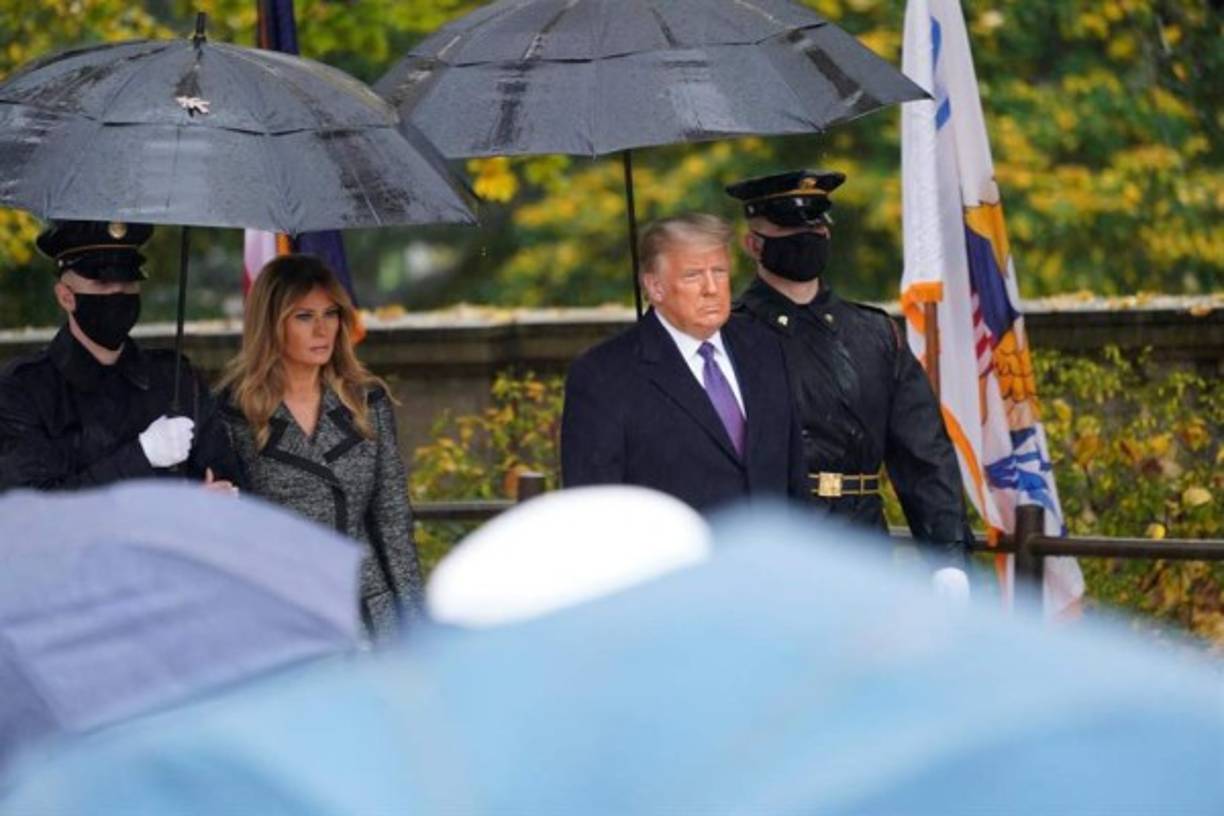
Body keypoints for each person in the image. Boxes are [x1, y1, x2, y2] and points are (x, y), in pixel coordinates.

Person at [727, 170, 972, 595]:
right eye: (789, 227)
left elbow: (923, 453)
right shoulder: (725, 335)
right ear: (753, 244)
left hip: (862, 548)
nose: (807, 235)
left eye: (816, 224)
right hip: (768, 551)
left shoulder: (875, 334)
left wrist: (947, 557)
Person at [218, 254, 423, 641]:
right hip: (282, 617)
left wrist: (417, 629)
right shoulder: (235, 413)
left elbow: (393, 521)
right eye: (304, 317)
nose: (322, 330)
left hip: (367, 615)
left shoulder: (366, 403)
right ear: (272, 324)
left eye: (330, 314)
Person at [561, 213, 805, 512]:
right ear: (655, 287)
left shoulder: (765, 349)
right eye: (693, 275)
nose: (711, 288)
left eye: (719, 272)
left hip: (770, 553)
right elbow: (594, 505)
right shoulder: (603, 375)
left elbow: (794, 479)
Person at [0, 220, 240, 491]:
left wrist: (219, 501)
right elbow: (37, 510)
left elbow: (226, 478)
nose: (118, 293)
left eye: (128, 281)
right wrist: (142, 455)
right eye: (102, 283)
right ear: (66, 297)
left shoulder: (174, 378)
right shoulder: (24, 390)